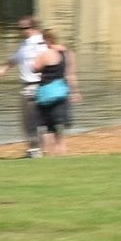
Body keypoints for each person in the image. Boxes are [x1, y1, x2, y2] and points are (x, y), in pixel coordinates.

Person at [0, 15, 47, 158]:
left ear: (33, 27)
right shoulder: (25, 43)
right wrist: (2, 69)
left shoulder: (40, 44)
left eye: (24, 28)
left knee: (32, 119)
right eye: (19, 28)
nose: (21, 31)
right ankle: (34, 148)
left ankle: (36, 150)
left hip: (36, 84)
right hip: (26, 85)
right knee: (27, 120)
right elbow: (14, 59)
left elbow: (48, 61)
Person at [31, 27, 79, 155]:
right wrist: (75, 92)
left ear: (48, 40)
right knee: (60, 130)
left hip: (46, 94)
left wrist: (38, 57)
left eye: (42, 42)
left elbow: (34, 68)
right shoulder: (68, 53)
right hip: (62, 93)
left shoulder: (47, 54)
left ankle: (51, 156)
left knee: (48, 129)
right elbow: (71, 75)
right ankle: (62, 154)